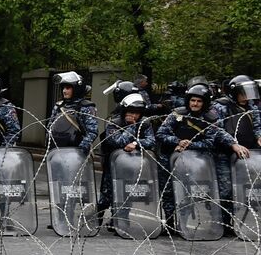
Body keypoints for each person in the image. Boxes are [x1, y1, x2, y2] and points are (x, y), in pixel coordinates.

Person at [157, 83, 251, 231]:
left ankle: (190, 225)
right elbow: (161, 134)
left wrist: (189, 145)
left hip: (196, 161)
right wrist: (177, 141)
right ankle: (169, 224)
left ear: (205, 103)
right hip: (171, 158)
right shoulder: (177, 114)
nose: (195, 104)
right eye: (193, 100)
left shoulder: (210, 118)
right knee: (168, 192)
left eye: (199, 101)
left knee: (189, 191)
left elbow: (210, 141)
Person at [95, 93, 157, 227]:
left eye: (136, 113)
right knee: (107, 194)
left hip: (132, 165)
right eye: (130, 112)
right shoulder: (114, 123)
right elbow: (117, 141)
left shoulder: (145, 124)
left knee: (126, 193)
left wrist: (135, 144)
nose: (133, 116)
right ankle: (97, 219)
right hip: (113, 165)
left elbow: (151, 141)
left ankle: (118, 220)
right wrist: (131, 126)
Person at [45, 72, 98, 154]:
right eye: (63, 88)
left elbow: (92, 132)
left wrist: (81, 149)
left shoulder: (86, 107)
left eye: (68, 88)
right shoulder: (58, 106)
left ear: (76, 88)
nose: (64, 91)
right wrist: (49, 144)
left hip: (75, 153)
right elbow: (50, 126)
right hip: (56, 150)